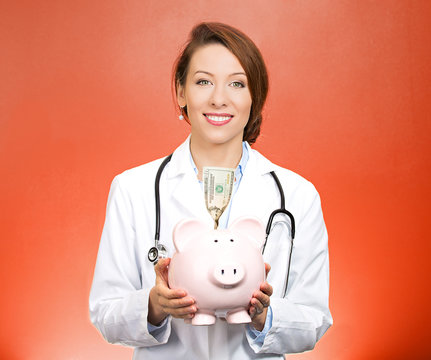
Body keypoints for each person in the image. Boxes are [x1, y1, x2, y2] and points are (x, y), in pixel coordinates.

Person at [89, 22, 332, 359]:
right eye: (203, 82)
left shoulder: (297, 195)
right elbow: (105, 312)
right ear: (180, 92)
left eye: (237, 83)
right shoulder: (134, 188)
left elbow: (315, 319)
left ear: (254, 97)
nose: (219, 99)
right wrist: (154, 306)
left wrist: (265, 315)